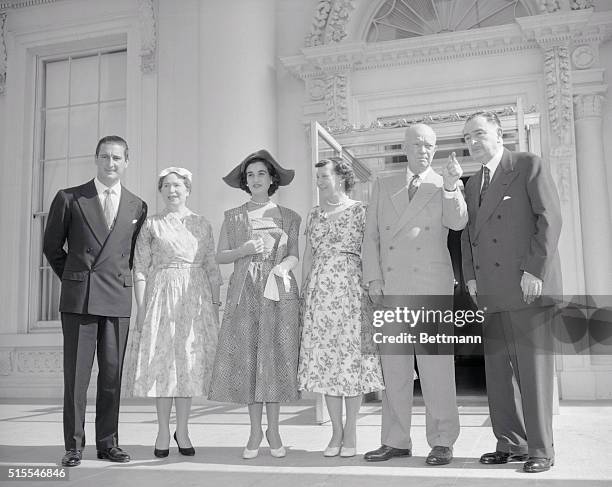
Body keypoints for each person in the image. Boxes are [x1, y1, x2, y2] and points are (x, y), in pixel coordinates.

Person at [460, 111, 562, 473]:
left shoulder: (527, 164)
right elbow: (469, 236)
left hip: (526, 287)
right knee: (499, 372)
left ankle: (540, 450)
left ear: (499, 134)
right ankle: (511, 442)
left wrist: (535, 270)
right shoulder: (472, 183)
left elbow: (550, 218)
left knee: (532, 372)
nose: (472, 142)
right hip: (488, 290)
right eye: (467, 137)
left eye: (479, 134)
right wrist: (470, 277)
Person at [362, 123, 467, 465]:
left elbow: (459, 222)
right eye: (418, 144)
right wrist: (373, 279)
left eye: (430, 145)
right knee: (395, 368)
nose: (424, 150)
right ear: (404, 147)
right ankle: (395, 440)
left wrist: (452, 187)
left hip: (431, 288)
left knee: (436, 368)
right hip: (391, 288)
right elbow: (372, 237)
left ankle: (442, 440)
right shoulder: (384, 184)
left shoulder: (445, 183)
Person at [43, 135, 147, 467]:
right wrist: (76, 279)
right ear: (96, 159)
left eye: (117, 158)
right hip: (80, 300)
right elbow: (51, 247)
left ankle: (108, 443)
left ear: (127, 162)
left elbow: (129, 256)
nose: (111, 163)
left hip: (117, 298)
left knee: (112, 375)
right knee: (76, 376)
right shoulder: (70, 197)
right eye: (105, 157)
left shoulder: (137, 205)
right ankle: (73, 445)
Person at [208, 149, 301, 459]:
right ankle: (253, 431)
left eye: (262, 173)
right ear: (245, 182)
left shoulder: (289, 217)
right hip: (244, 293)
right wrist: (242, 249)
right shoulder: (233, 217)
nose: (256, 179)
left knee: (273, 360)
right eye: (250, 175)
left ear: (272, 178)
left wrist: (285, 266)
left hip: (277, 292)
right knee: (249, 360)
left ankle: (274, 431)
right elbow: (219, 256)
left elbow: (294, 254)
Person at [128, 167, 222, 458]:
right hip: (162, 298)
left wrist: (214, 307)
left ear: (188, 189)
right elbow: (140, 268)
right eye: (166, 186)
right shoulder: (151, 225)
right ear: (161, 191)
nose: (172, 191)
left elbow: (211, 266)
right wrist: (142, 308)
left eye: (177, 186)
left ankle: (182, 430)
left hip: (194, 300)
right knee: (164, 367)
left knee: (187, 367)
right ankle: (161, 430)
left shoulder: (201, 224)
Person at [298, 157, 385, 458]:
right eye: (318, 176)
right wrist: (303, 290)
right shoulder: (313, 214)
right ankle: (335, 430)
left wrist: (374, 286)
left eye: (324, 175)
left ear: (341, 178)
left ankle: (352, 431)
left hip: (351, 290)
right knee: (326, 363)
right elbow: (308, 253)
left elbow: (372, 251)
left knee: (351, 364)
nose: (319, 181)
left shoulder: (361, 211)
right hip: (319, 294)